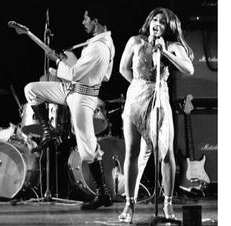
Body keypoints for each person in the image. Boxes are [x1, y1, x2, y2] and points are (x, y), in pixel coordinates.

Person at [24, 3, 115, 210]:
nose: (83, 22)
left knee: (87, 150)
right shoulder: (104, 43)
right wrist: (72, 63)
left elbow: (74, 74)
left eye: (86, 18)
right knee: (31, 89)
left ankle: (103, 195)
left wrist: (60, 62)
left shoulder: (99, 47)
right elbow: (106, 76)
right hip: (72, 90)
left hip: (82, 98)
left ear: (96, 20)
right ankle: (49, 131)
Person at [118, 7, 194, 223]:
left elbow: (189, 70)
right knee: (132, 151)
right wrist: (139, 86)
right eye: (155, 19)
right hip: (136, 99)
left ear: (167, 28)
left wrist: (165, 53)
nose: (157, 24)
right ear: (149, 21)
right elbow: (123, 68)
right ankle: (129, 204)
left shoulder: (172, 46)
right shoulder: (135, 42)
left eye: (162, 22)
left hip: (159, 100)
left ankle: (168, 205)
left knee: (166, 152)